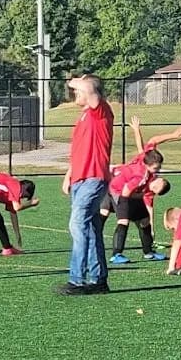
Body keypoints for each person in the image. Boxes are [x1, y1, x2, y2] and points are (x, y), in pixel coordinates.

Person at [102, 117, 181, 265]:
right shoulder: (142, 177)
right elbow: (126, 191)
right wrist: (128, 205)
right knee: (123, 220)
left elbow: (153, 140)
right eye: (156, 168)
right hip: (118, 190)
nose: (158, 171)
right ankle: (116, 254)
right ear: (149, 165)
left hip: (125, 188)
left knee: (144, 220)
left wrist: (173, 135)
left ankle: (148, 252)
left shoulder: (145, 158)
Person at [58, 74, 113, 295]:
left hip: (93, 178)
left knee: (77, 224)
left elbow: (90, 89)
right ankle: (98, 280)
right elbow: (79, 151)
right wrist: (69, 175)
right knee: (90, 228)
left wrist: (73, 79)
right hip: (81, 179)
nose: (75, 92)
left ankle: (77, 279)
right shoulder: (84, 117)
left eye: (79, 89)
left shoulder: (101, 112)